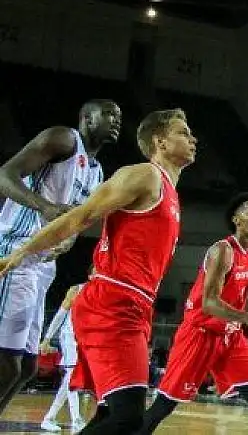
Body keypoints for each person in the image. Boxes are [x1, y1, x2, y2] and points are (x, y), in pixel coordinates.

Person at [0, 108, 195, 434]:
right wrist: (23, 251)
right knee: (128, 418)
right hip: (112, 302)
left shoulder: (169, 192)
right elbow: (81, 216)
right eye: (183, 132)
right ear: (160, 141)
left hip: (135, 305)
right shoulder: (144, 175)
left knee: (111, 414)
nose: (193, 138)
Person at [0, 99, 121, 415]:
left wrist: (67, 241)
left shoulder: (97, 172)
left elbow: (74, 222)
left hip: (43, 266)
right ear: (86, 117)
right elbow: (5, 174)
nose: (116, 119)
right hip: (16, 252)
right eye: (108, 113)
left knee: (27, 368)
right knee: (8, 365)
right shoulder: (64, 139)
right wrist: (44, 207)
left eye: (119, 116)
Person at [137, 192, 248, 434]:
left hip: (229, 336)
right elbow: (209, 303)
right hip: (200, 333)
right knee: (165, 405)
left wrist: (240, 321)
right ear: (236, 219)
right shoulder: (223, 251)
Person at [38, 280, 87, 433]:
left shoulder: (104, 292)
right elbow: (60, 315)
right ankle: (76, 420)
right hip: (69, 336)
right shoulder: (77, 289)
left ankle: (49, 417)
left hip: (84, 339)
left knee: (69, 380)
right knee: (72, 376)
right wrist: (46, 339)